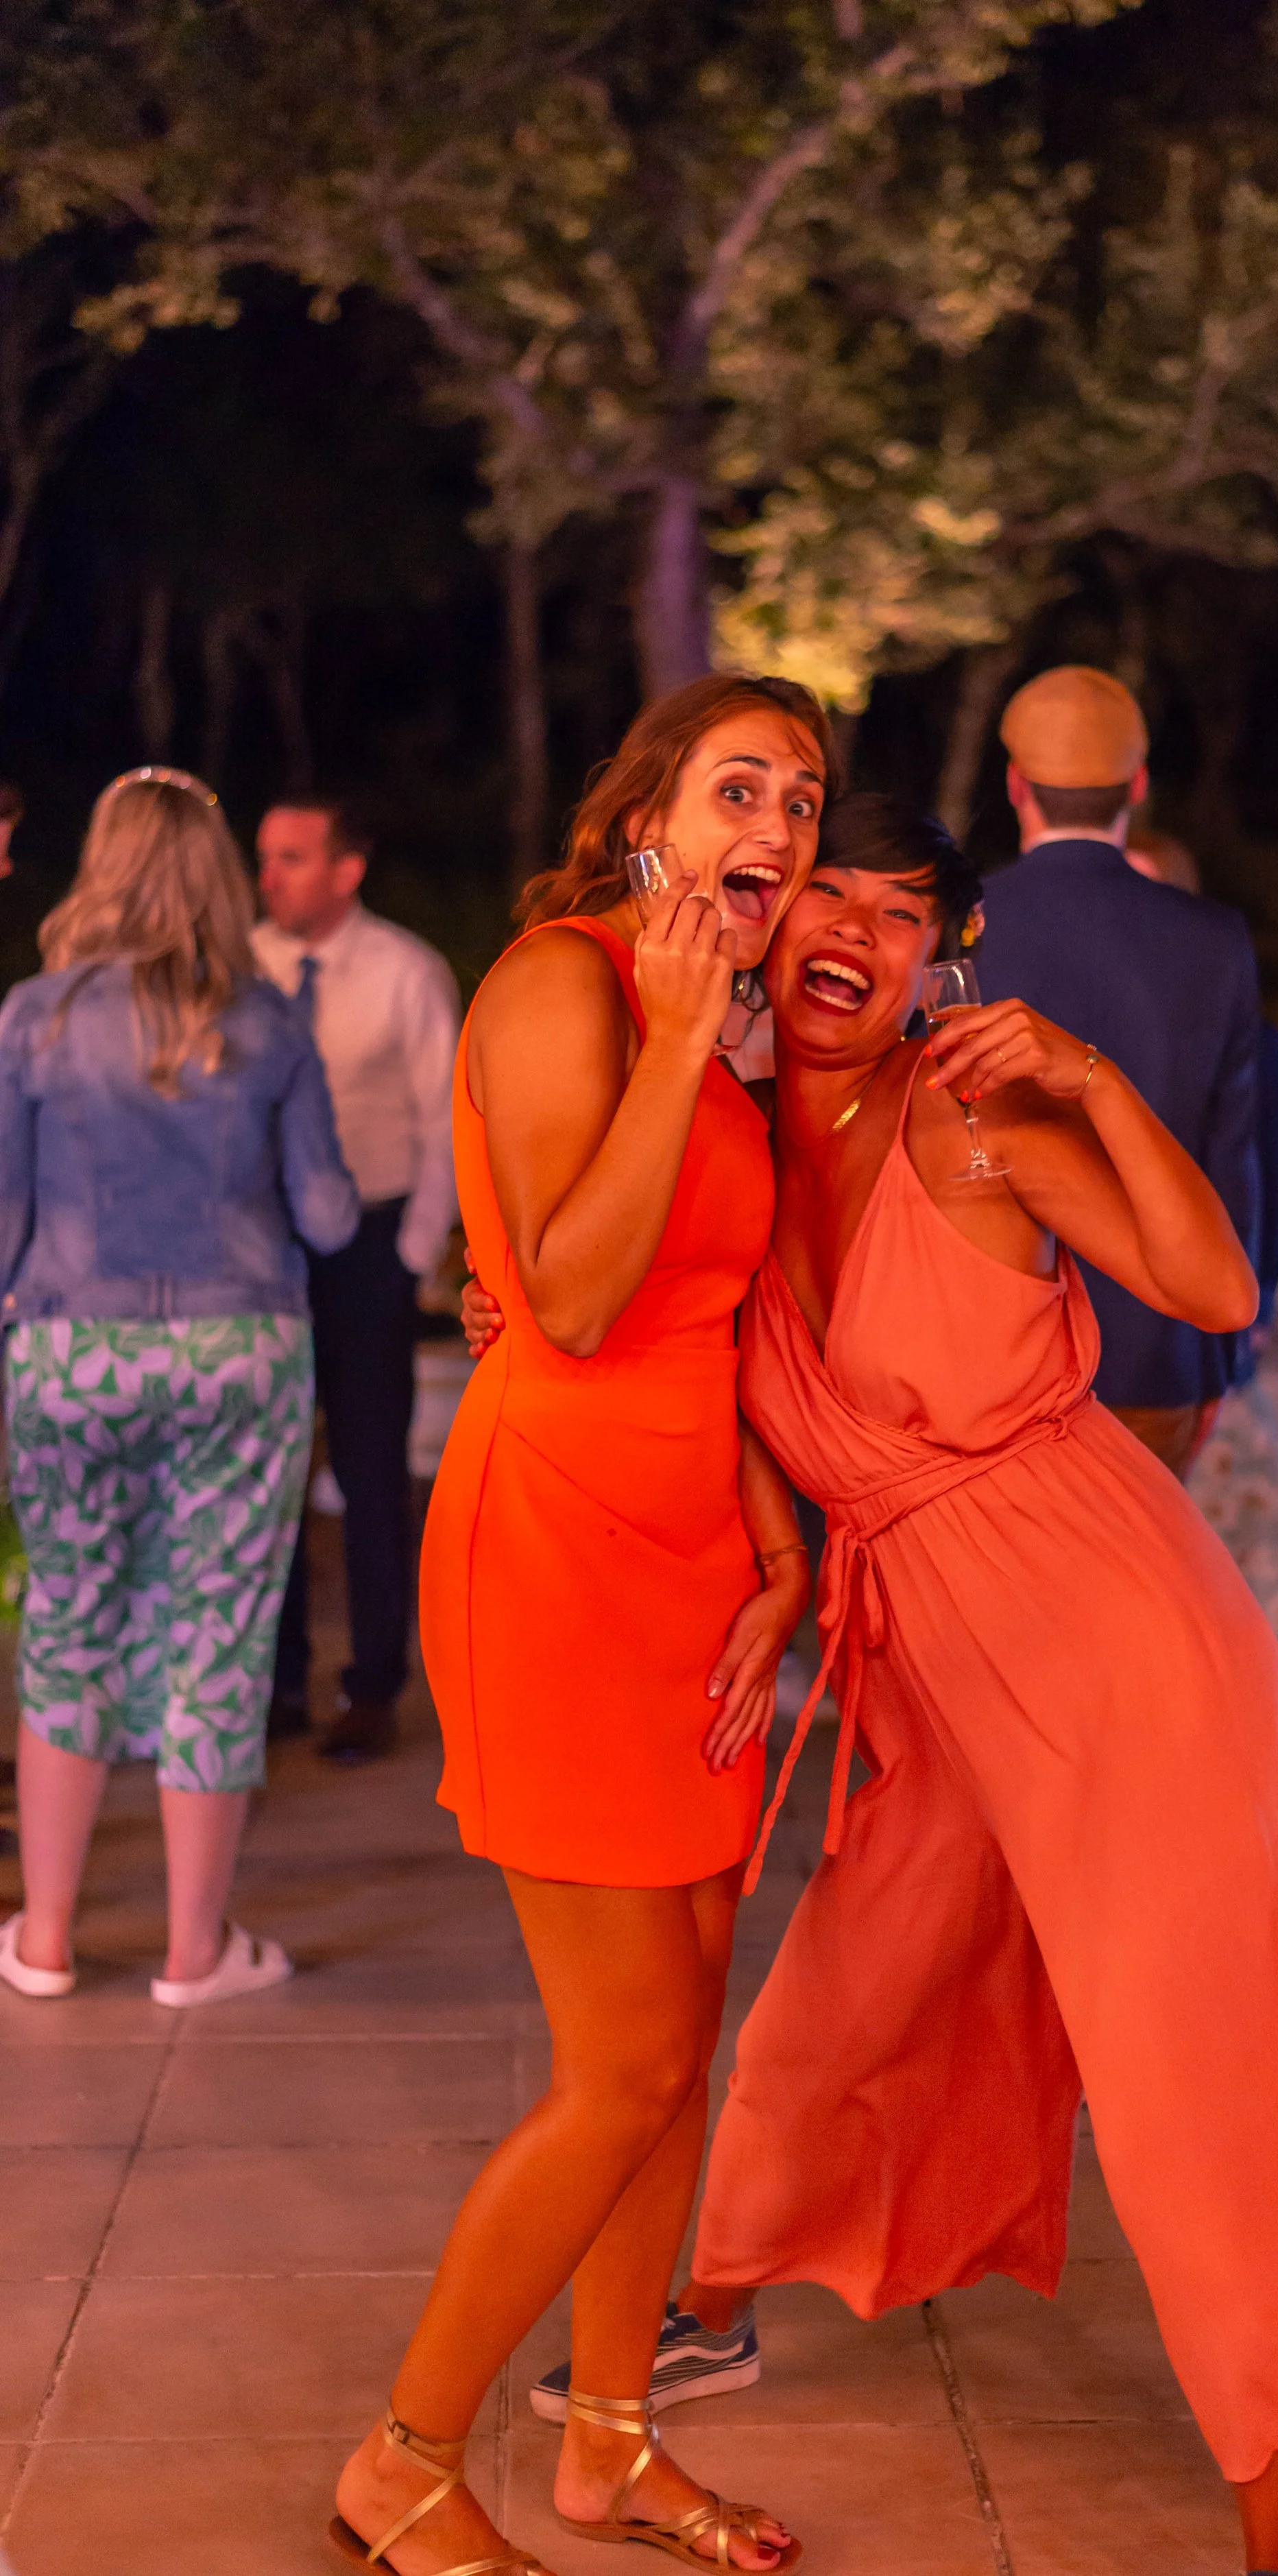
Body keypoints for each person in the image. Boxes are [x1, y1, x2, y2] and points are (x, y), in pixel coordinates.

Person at [484, 794, 1278, 2576]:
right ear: (775, 925)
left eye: (899, 911)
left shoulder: (972, 1110)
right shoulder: (722, 1137)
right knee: (846, 1987)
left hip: (1113, 1634)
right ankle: (715, 2299)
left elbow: (1213, 1284)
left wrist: (1092, 1080)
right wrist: (526, 1335)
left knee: (1192, 2063)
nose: (853, 931)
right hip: (933, 1657)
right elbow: (644, 1320)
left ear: (941, 953)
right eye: (827, 896)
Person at [330, 676, 832, 2576]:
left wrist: (775, 1548)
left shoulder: (728, 1026)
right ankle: (401, 2456)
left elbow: (717, 1320)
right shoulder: (565, 983)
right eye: (737, 786)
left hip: (696, 1559)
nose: (775, 823)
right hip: (553, 1545)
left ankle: (610, 2440)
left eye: (801, 795)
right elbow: (576, 1298)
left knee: (680, 2041)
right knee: (619, 2059)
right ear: (648, 817)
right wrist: (686, 1036)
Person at [0, 767, 358, 2009]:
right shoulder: (269, 1022)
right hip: (236, 1350)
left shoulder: (33, 1018)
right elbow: (328, 1214)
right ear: (216, 873)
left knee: (69, 1617)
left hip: (71, 1349)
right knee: (218, 1629)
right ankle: (195, 1954)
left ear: (100, 864)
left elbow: (4, 1221)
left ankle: (45, 1940)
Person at [976, 666, 1261, 1478]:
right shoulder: (1214, 942)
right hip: (1158, 1350)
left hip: (994, 1354)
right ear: (1136, 785)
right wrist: (1220, 1355)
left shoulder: (958, 925)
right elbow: (1233, 1159)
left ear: (1015, 784)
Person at [252, 798, 461, 1762]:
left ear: (347, 869)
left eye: (293, 858)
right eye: (265, 857)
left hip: (372, 1240)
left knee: (371, 1470)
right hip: (264, 1242)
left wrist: (412, 1256)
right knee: (267, 1468)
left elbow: (445, 1117)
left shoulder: (405, 971)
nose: (270, 877)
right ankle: (278, 1681)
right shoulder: (241, 967)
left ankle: (374, 1683)